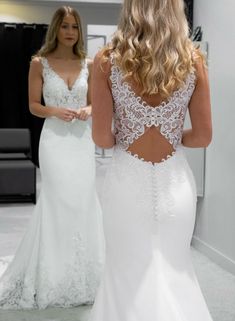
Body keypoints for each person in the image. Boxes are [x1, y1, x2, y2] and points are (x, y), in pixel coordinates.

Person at [90, 0, 213, 320]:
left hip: (126, 182)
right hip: (175, 181)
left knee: (124, 271)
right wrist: (171, 136)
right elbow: (203, 137)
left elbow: (101, 138)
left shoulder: (106, 60)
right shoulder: (194, 59)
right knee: (177, 270)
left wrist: (129, 134)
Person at [0, 6, 104, 309]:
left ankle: (83, 275)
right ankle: (51, 275)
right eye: (65, 26)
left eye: (74, 27)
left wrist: (88, 110)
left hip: (82, 141)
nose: (70, 32)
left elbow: (96, 103)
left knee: (83, 202)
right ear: (55, 29)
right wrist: (55, 110)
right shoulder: (39, 63)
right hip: (55, 141)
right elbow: (33, 105)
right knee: (57, 202)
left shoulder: (90, 63)